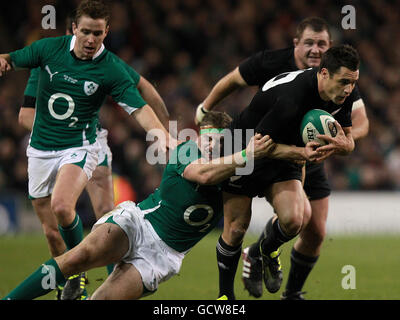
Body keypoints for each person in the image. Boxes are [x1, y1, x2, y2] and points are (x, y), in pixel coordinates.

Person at [2, 111, 282, 300]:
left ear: (227, 142)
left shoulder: (237, 176)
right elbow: (202, 174)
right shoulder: (187, 150)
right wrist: (248, 154)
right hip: (139, 224)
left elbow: (261, 212)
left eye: (217, 139)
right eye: (205, 137)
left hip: (163, 257)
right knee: (77, 258)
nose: (208, 144)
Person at [0, 0, 176, 300]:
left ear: (107, 32)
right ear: (73, 29)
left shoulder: (110, 67)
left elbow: (141, 98)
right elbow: (16, 79)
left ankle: (110, 287)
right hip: (41, 150)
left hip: (84, 144)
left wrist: (164, 132)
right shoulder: (46, 54)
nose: (91, 40)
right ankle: (74, 279)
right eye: (85, 32)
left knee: (82, 210)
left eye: (98, 33)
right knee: (52, 231)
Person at [196, 17, 369, 300]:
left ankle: (263, 250)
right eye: (344, 83)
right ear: (323, 73)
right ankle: (224, 297)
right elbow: (260, 147)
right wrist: (304, 153)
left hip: (285, 151)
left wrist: (341, 145)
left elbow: (349, 138)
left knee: (295, 220)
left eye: (353, 83)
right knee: (236, 227)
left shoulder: (343, 91)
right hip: (244, 147)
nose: (349, 90)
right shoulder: (293, 97)